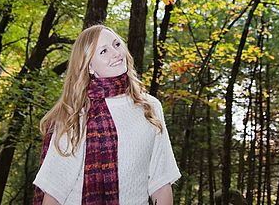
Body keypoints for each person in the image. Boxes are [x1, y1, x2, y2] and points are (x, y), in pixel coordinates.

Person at [32, 24, 181, 205]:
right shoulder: (76, 115)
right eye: (103, 51)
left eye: (117, 45)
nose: (116, 53)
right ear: (89, 67)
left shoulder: (150, 107)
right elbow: (54, 194)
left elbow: (161, 182)